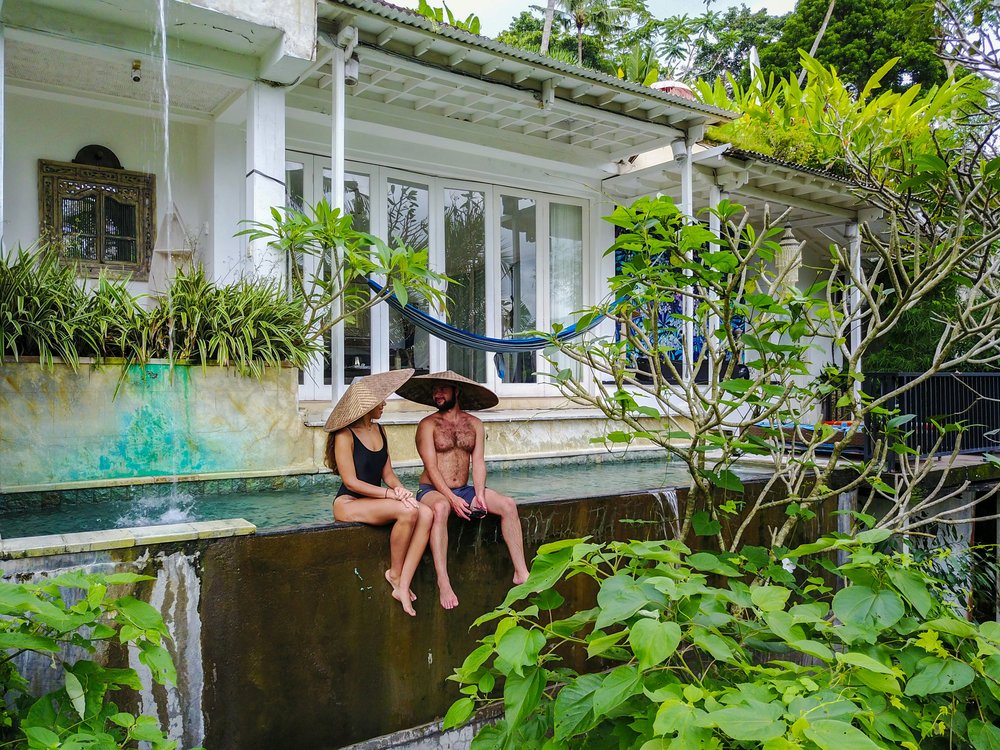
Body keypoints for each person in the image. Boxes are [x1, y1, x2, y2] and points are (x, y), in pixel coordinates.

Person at [397, 371, 529, 610]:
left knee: (508, 504)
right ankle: (443, 580)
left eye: (442, 389)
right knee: (441, 507)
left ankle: (521, 572)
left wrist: (478, 494)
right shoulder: (427, 425)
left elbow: (478, 462)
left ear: (456, 391)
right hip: (432, 490)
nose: (437, 394)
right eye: (435, 390)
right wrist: (451, 498)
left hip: (465, 489)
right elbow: (431, 467)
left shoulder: (474, 424)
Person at [326, 368, 431, 617]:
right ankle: (394, 574)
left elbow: (388, 475)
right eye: (380, 400)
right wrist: (389, 495)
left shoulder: (380, 430)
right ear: (368, 404)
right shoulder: (345, 434)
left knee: (424, 512)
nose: (384, 404)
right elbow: (350, 482)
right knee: (406, 513)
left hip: (375, 500)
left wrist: (400, 490)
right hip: (349, 502)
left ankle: (403, 583)